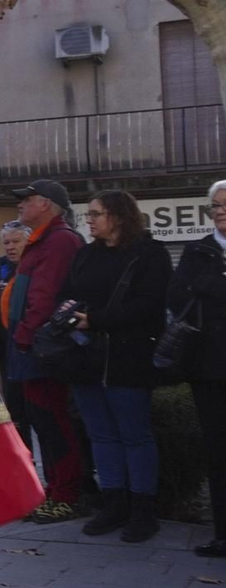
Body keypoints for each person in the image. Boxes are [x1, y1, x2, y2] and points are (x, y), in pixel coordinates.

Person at [64, 190, 173, 543]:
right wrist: (66, 315)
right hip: (86, 359)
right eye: (89, 214)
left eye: (96, 214)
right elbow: (68, 293)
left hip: (128, 359)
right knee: (101, 434)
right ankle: (114, 504)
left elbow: (150, 308)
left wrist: (94, 319)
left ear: (119, 216)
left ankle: (143, 511)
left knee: (135, 436)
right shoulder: (86, 254)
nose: (89, 220)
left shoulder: (150, 255)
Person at [5, 179, 89, 522]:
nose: (20, 206)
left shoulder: (59, 242)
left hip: (41, 348)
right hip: (31, 346)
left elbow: (44, 297)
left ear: (47, 204)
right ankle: (55, 491)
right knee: (44, 422)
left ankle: (67, 494)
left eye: (27, 200)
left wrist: (24, 337)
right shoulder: (43, 241)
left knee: (54, 422)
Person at [169, 179, 226, 557]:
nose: (220, 212)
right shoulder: (198, 250)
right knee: (218, 450)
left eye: (225, 206)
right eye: (215, 207)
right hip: (210, 365)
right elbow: (176, 294)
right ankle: (222, 533)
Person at [0, 222, 32, 449]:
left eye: (16, 242)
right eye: (6, 243)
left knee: (40, 413)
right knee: (15, 412)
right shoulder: (1, 269)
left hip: (29, 348)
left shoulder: (33, 268)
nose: (10, 247)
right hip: (6, 350)